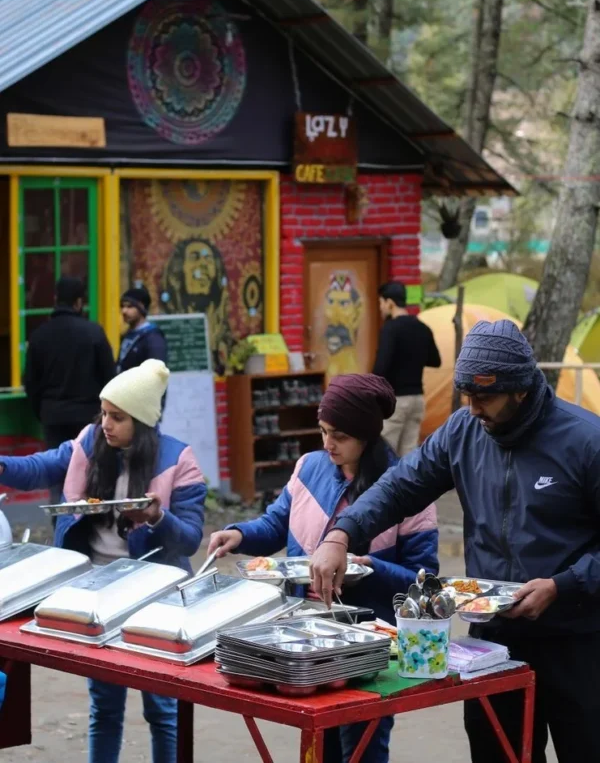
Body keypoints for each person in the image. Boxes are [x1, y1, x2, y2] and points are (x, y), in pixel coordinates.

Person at [311, 320, 600, 763]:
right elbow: (399, 487)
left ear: (520, 389)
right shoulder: (462, 432)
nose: (473, 407)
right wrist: (341, 533)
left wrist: (564, 585)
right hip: (495, 641)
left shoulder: (585, 440)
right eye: (466, 395)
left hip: (578, 639)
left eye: (485, 397)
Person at [208, 373, 438, 763]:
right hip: (306, 633)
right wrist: (239, 535)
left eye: (340, 436)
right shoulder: (309, 468)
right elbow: (276, 524)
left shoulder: (407, 491)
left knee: (364, 745)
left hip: (369, 642)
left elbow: (425, 583)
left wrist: (371, 567)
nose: (328, 443)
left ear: (367, 435)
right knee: (318, 741)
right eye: (323, 431)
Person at [0, 359, 206, 763]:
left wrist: (157, 517)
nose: (105, 425)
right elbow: (39, 468)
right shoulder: (89, 442)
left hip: (157, 596)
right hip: (96, 592)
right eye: (104, 413)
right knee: (105, 706)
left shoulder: (178, 460)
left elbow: (191, 538)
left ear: (141, 421)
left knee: (162, 710)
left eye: (117, 417)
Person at [24, 277, 116, 507]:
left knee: (58, 472)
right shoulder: (94, 333)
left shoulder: (39, 335)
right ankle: (92, 518)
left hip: (53, 417)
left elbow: (30, 382)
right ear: (79, 302)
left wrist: (43, 411)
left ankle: (60, 519)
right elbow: (110, 378)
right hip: (89, 417)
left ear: (56, 299)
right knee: (91, 471)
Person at [373, 282, 440, 456]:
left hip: (395, 401)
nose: (380, 308)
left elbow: (381, 368)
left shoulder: (390, 329)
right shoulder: (423, 327)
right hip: (417, 400)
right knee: (409, 455)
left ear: (390, 303)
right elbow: (435, 360)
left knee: (384, 453)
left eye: (381, 303)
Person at [118, 286, 167, 374]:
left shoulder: (153, 337)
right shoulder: (127, 334)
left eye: (129, 306)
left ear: (142, 307)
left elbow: (157, 374)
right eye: (122, 306)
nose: (124, 311)